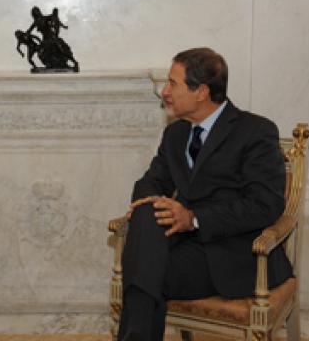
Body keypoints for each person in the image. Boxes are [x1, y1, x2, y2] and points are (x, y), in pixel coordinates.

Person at [117, 48, 292, 341]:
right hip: (181, 246)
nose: (164, 91)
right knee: (147, 213)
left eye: (172, 83)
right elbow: (150, 183)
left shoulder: (255, 131)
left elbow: (265, 205)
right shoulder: (175, 134)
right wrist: (157, 204)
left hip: (233, 253)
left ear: (201, 92)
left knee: (143, 274)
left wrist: (194, 218)